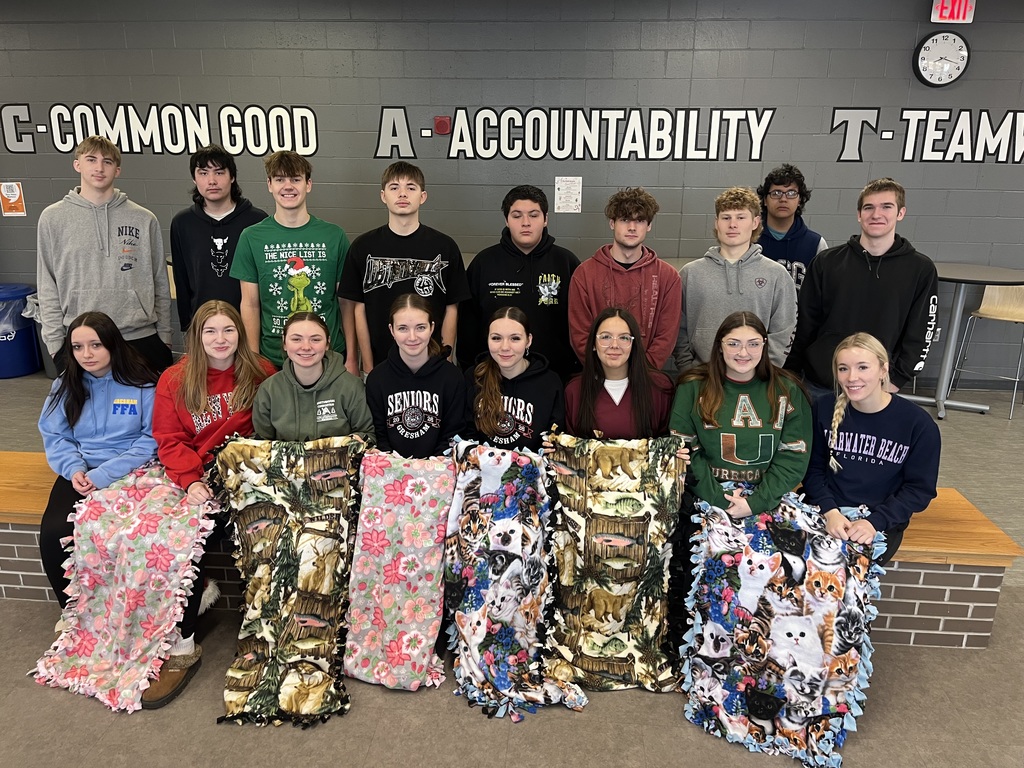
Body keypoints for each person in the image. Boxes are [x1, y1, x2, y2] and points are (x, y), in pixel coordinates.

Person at [148, 300, 275, 706]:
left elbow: (273, 429)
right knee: (186, 540)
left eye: (228, 330)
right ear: (197, 337)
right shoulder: (175, 380)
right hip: (198, 477)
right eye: (210, 332)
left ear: (240, 333)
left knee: (267, 534)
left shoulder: (261, 372)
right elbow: (169, 439)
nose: (220, 340)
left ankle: (268, 635)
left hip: (249, 473)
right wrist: (189, 481)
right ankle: (182, 644)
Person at [38, 312, 160, 609]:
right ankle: (71, 612)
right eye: (77, 347)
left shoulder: (142, 382)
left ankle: (126, 610)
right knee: (54, 532)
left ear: (112, 345)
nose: (86, 354)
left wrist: (104, 474)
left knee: (131, 535)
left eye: (95, 345)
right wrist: (74, 469)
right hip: (81, 471)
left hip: (131, 471)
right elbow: (56, 434)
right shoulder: (66, 384)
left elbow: (150, 439)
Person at [786, 177, 939, 400]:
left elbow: (922, 331)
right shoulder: (827, 263)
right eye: (869, 207)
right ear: (859, 214)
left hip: (879, 388)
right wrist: (791, 371)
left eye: (886, 206)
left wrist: (897, 380)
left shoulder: (920, 269)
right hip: (821, 384)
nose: (876, 214)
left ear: (901, 213)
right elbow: (804, 324)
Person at [36, 135, 172, 373]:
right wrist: (55, 344)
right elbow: (47, 285)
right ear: (77, 164)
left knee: (148, 410)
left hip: (140, 337)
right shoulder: (52, 218)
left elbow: (159, 279)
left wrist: (164, 336)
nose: (99, 168)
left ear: (117, 170)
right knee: (88, 410)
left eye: (107, 162)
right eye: (91, 160)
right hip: (82, 341)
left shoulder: (144, 219)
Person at [802, 333, 940, 566]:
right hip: (825, 512)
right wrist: (830, 511)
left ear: (883, 369)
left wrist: (875, 522)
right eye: (843, 368)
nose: (852, 377)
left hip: (879, 521)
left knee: (839, 575)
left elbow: (919, 490)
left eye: (863, 367)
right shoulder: (824, 408)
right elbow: (811, 469)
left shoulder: (918, 424)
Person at [670, 311, 811, 518]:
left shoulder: (787, 389)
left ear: (764, 345)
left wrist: (756, 502)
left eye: (753, 344)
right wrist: (719, 498)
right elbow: (685, 451)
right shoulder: (691, 388)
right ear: (720, 345)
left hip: (768, 497)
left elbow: (793, 456)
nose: (743, 353)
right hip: (706, 497)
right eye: (733, 343)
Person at [339, 161, 470, 374]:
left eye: (410, 187)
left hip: (431, 363)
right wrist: (368, 365)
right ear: (383, 196)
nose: (402, 194)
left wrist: (445, 360)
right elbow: (358, 308)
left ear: (422, 196)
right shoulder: (363, 247)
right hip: (381, 363)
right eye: (394, 188)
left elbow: (451, 307)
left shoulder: (444, 247)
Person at [230, 150, 351, 368]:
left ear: (308, 184)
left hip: (329, 356)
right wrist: (253, 359)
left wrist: (352, 357)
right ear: (269, 184)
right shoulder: (251, 237)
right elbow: (250, 304)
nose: (288, 186)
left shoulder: (334, 236)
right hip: (274, 358)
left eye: (295, 179)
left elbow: (346, 303)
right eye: (280, 179)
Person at [458, 185, 581, 382]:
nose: (526, 223)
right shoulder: (484, 263)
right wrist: (468, 369)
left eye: (533, 215)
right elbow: (468, 325)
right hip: (494, 376)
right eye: (517, 216)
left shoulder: (566, 262)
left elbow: (579, 322)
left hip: (555, 377)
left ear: (545, 219)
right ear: (507, 220)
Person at [673, 186, 796, 375]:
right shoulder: (691, 274)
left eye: (740, 217)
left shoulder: (776, 275)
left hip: (757, 380)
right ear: (716, 222)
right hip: (702, 376)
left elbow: (783, 330)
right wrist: (688, 369)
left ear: (755, 222)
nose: (733, 224)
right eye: (726, 217)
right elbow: (678, 328)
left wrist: (766, 372)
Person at [568, 187, 681, 370]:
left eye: (640, 220)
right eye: (625, 219)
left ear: (649, 225)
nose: (632, 227)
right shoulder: (584, 274)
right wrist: (608, 372)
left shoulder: (668, 277)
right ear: (612, 223)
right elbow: (580, 335)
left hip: (646, 378)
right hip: (597, 377)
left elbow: (666, 336)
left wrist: (641, 373)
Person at [169, 144, 268, 330]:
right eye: (203, 173)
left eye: (219, 172)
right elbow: (181, 281)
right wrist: (188, 329)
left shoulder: (258, 221)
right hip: (203, 328)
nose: (212, 180)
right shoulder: (182, 223)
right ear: (194, 178)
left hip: (250, 326)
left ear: (232, 177)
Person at [365, 293, 468, 458]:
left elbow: (453, 433)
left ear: (432, 328)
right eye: (403, 328)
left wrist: (431, 467)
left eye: (420, 327)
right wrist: (395, 466)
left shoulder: (452, 377)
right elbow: (380, 435)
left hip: (439, 470)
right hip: (391, 471)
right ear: (391, 330)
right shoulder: (377, 379)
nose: (412, 337)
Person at [252, 311, 374, 443]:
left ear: (327, 343)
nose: (306, 347)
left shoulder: (351, 386)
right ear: (284, 343)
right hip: (286, 463)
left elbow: (368, 435)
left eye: (315, 339)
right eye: (296, 339)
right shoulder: (268, 390)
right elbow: (261, 445)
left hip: (339, 463)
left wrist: (356, 441)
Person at [565, 307, 674, 439]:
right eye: (606, 337)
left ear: (634, 344)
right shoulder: (574, 391)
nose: (614, 345)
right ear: (593, 344)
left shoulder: (659, 388)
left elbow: (669, 445)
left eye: (624, 338)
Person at [468, 306, 564, 453]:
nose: (505, 347)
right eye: (496, 338)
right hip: (481, 470)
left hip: (533, 471)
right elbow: (465, 435)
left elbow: (554, 438)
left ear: (528, 340)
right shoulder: (473, 377)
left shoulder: (550, 382)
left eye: (515, 338)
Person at [756, 163, 828, 292]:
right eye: (776, 193)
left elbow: (823, 293)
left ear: (799, 200)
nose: (783, 199)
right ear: (765, 200)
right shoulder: (750, 239)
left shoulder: (816, 244)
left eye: (791, 193)